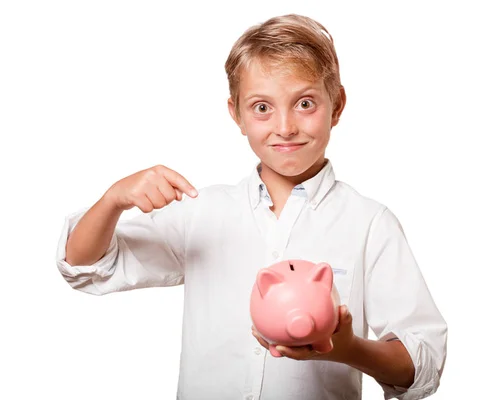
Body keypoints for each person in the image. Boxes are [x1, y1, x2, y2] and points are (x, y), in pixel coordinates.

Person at [56, 14, 447, 400]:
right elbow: (85, 265)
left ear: (337, 105)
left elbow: (421, 361)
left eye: (305, 103)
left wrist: (349, 350)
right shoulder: (200, 212)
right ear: (237, 114)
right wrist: (113, 200)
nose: (285, 126)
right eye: (262, 107)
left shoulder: (369, 224)